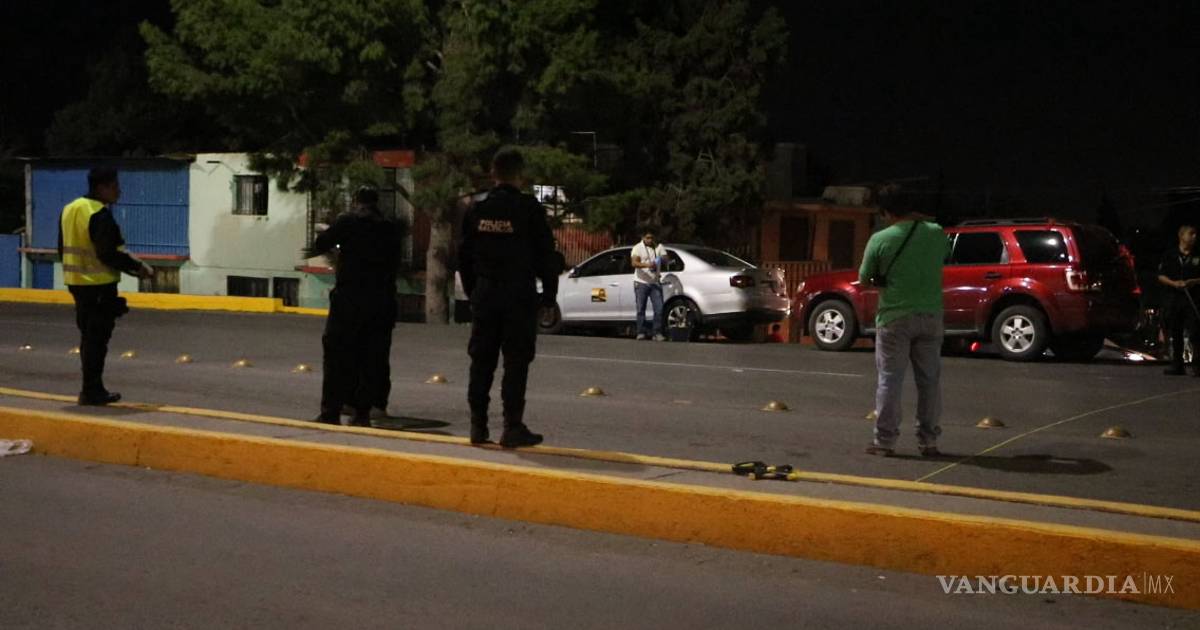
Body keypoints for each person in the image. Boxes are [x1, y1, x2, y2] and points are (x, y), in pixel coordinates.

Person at [458, 147, 559, 448]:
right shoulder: (529, 209)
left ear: (493, 173)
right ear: (521, 175)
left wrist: (473, 291)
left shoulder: (477, 210)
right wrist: (549, 296)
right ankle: (512, 426)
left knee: (481, 360)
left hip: (486, 293)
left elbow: (463, 256)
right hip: (518, 294)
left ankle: (478, 425)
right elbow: (546, 256)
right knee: (516, 362)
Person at [857, 185, 949, 457]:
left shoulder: (880, 239)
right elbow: (942, 257)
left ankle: (885, 441)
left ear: (886, 212)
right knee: (929, 381)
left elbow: (864, 278)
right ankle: (929, 441)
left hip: (894, 317)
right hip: (931, 315)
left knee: (890, 380)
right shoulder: (936, 233)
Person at [308, 186, 404, 426]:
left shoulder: (348, 222)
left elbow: (321, 243)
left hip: (349, 299)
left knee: (337, 355)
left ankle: (331, 411)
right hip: (380, 301)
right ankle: (362, 414)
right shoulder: (389, 228)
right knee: (370, 358)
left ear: (356, 202)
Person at [58, 166, 154, 405]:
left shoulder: (70, 209)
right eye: (114, 186)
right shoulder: (99, 214)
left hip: (77, 283)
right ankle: (92, 391)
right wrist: (138, 268)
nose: (119, 191)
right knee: (97, 340)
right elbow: (108, 253)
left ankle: (91, 389)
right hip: (99, 285)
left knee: (88, 337)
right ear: (101, 188)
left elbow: (61, 248)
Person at [1157, 224, 1200, 377]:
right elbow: (1161, 276)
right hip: (1174, 299)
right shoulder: (1170, 255)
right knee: (1176, 331)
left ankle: (1197, 365)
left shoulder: (1198, 255)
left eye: (1195, 234)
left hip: (1193, 298)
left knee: (1195, 332)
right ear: (1181, 236)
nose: (1194, 237)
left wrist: (1194, 281)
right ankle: (1177, 365)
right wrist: (1174, 283)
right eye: (1191, 234)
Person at [631, 231, 668, 341]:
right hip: (641, 282)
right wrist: (648, 265)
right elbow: (634, 263)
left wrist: (662, 258)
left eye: (652, 237)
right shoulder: (637, 248)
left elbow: (666, 258)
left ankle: (657, 332)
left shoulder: (659, 246)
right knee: (640, 308)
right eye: (647, 238)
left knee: (659, 308)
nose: (650, 240)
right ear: (643, 237)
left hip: (655, 282)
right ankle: (641, 332)